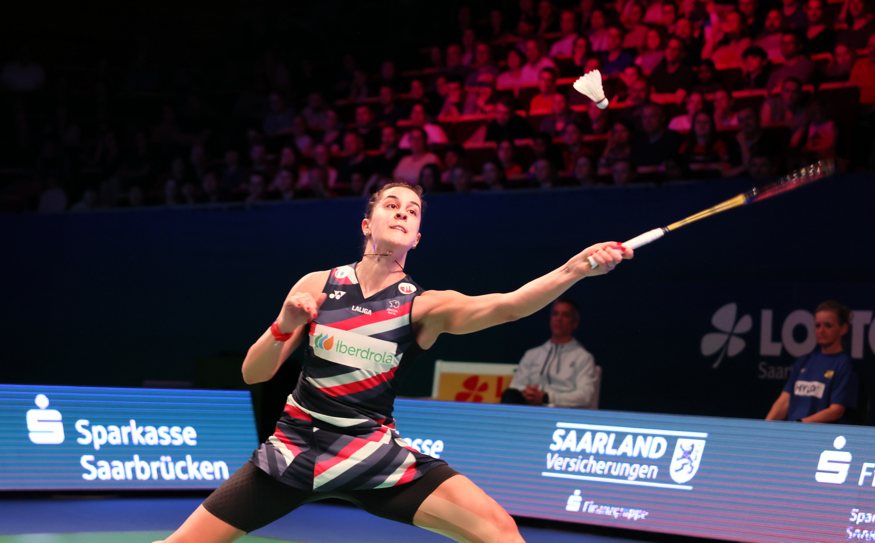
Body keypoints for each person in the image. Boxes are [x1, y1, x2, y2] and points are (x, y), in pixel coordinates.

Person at [155, 182, 631, 543]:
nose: (402, 212)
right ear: (367, 224)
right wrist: (284, 322)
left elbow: (509, 305)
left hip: (373, 454)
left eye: (412, 210)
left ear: (417, 237)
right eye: (391, 205)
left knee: (500, 531)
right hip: (296, 449)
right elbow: (253, 374)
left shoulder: (423, 306)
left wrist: (576, 269)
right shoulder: (320, 283)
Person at [766, 300, 858, 423]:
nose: (821, 331)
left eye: (828, 325)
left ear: (843, 329)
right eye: (817, 325)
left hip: (820, 436)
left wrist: (801, 424)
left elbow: (836, 410)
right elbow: (785, 400)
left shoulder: (844, 364)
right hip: (793, 432)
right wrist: (766, 424)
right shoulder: (804, 361)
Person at [501, 298, 599, 408]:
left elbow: (585, 396)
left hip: (561, 413)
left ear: (575, 322)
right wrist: (528, 393)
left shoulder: (583, 358)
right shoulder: (532, 354)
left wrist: (546, 397)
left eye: (565, 315)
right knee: (510, 395)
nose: (559, 319)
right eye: (555, 314)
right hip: (530, 410)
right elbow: (515, 386)